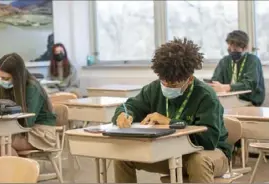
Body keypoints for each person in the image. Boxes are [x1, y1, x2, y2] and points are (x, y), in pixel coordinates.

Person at [111, 38, 232, 183]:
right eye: (164, 80)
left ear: (190, 79)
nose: (167, 86)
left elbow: (208, 140)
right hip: (170, 152)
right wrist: (123, 114)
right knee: (123, 157)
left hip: (210, 153)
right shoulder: (154, 89)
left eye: (174, 83)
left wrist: (170, 122)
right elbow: (128, 106)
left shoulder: (206, 96)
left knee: (198, 161)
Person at [0, 53, 57, 159]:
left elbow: (26, 123)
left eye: (5, 78)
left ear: (17, 76)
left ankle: (17, 173)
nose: (1, 80)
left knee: (0, 139)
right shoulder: (1, 87)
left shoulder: (32, 88)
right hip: (17, 130)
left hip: (39, 132)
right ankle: (3, 173)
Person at [210, 30, 265, 106]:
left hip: (248, 101)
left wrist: (227, 87)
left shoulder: (253, 60)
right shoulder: (224, 61)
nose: (232, 50)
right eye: (230, 47)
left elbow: (250, 83)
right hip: (227, 100)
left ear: (245, 48)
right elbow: (215, 80)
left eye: (235, 49)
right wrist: (215, 86)